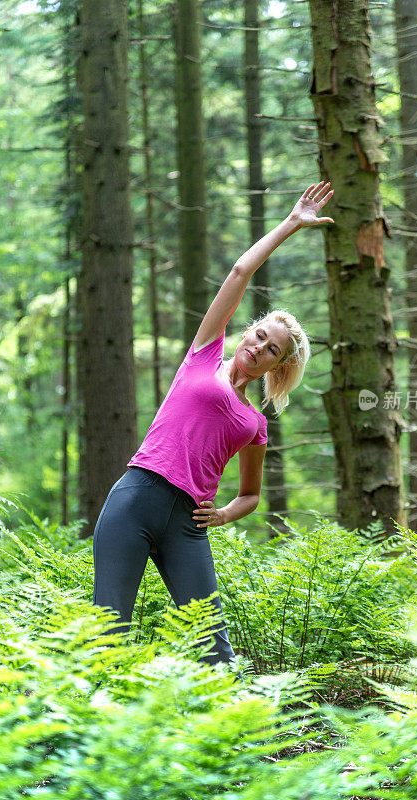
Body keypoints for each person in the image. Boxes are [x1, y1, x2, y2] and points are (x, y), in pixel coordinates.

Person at [92, 180, 334, 667]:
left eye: (273, 350)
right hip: (135, 498)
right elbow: (242, 270)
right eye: (260, 335)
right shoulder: (202, 357)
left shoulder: (254, 425)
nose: (260, 348)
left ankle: (231, 741)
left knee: (214, 651)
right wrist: (291, 223)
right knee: (107, 634)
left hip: (188, 523)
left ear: (278, 368)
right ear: (247, 330)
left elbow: (250, 495)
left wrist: (222, 515)